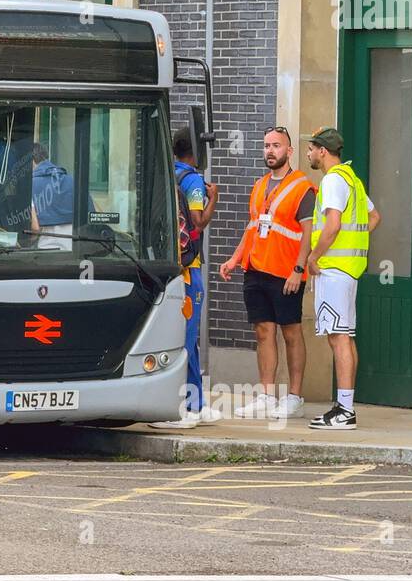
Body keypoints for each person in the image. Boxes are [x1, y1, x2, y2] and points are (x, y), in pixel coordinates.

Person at [218, 126, 315, 419]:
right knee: (263, 333)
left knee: (292, 333)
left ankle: (295, 396)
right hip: (256, 269)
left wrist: (299, 269)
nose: (270, 151)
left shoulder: (302, 187)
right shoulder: (259, 186)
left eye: (276, 145)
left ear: (289, 151)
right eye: (266, 146)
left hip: (286, 272)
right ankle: (266, 395)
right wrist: (235, 259)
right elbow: (252, 227)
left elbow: (308, 233)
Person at [304, 127, 381, 430]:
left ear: (323, 151)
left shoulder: (333, 180)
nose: (309, 154)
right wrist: (354, 244)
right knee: (345, 336)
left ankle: (345, 412)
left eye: (311, 149)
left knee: (338, 339)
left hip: (334, 271)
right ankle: (343, 405)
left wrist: (314, 256)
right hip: (349, 270)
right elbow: (374, 218)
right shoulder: (354, 181)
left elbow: (333, 224)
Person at [152, 127, 220, 428]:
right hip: (189, 271)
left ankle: (194, 404)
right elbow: (197, 221)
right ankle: (185, 407)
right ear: (195, 151)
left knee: (185, 340)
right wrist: (213, 199)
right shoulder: (192, 180)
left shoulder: (166, 174)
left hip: (171, 268)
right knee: (186, 339)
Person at [28, 143, 77, 250]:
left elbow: (34, 228)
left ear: (31, 162)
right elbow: (93, 216)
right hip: (75, 252)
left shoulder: (29, 186)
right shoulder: (73, 181)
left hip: (46, 254)